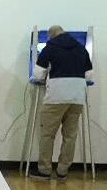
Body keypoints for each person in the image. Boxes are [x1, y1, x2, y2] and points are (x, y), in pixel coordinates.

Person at [31, 25, 93, 181]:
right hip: (77, 97)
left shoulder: (50, 47)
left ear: (51, 36)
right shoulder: (81, 48)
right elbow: (89, 75)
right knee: (70, 135)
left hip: (56, 97)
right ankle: (62, 171)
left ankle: (44, 171)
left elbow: (38, 74)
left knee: (48, 134)